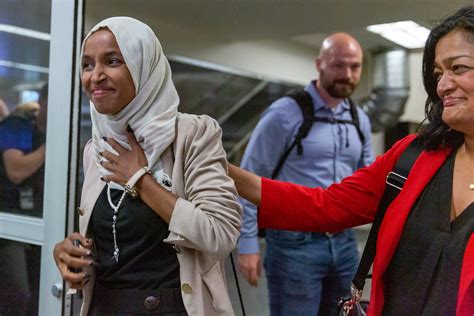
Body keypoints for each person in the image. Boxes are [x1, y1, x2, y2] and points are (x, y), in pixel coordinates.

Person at [229, 5, 474, 316]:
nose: (442, 85)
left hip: (341, 246)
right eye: (438, 73)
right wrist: (222, 169)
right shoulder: (413, 155)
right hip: (298, 248)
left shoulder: (356, 119)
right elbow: (327, 205)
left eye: (458, 68)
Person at [53, 17, 241, 315]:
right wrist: (69, 254)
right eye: (87, 65)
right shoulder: (97, 147)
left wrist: (140, 180)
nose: (95, 76)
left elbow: (219, 235)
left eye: (112, 61)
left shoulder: (191, 135)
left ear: (143, 67)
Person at [237, 32, 374, 315]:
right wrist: (247, 243)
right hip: (293, 245)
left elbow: (369, 182)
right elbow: (249, 179)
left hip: (345, 243)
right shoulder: (284, 114)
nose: (347, 74)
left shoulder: (359, 119)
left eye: (355, 67)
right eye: (338, 65)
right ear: (319, 64)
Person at [0, 85, 47, 215]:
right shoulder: (18, 125)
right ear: (42, 101)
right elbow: (16, 172)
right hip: (10, 212)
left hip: (36, 209)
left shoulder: (42, 133)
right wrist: (53, 144)